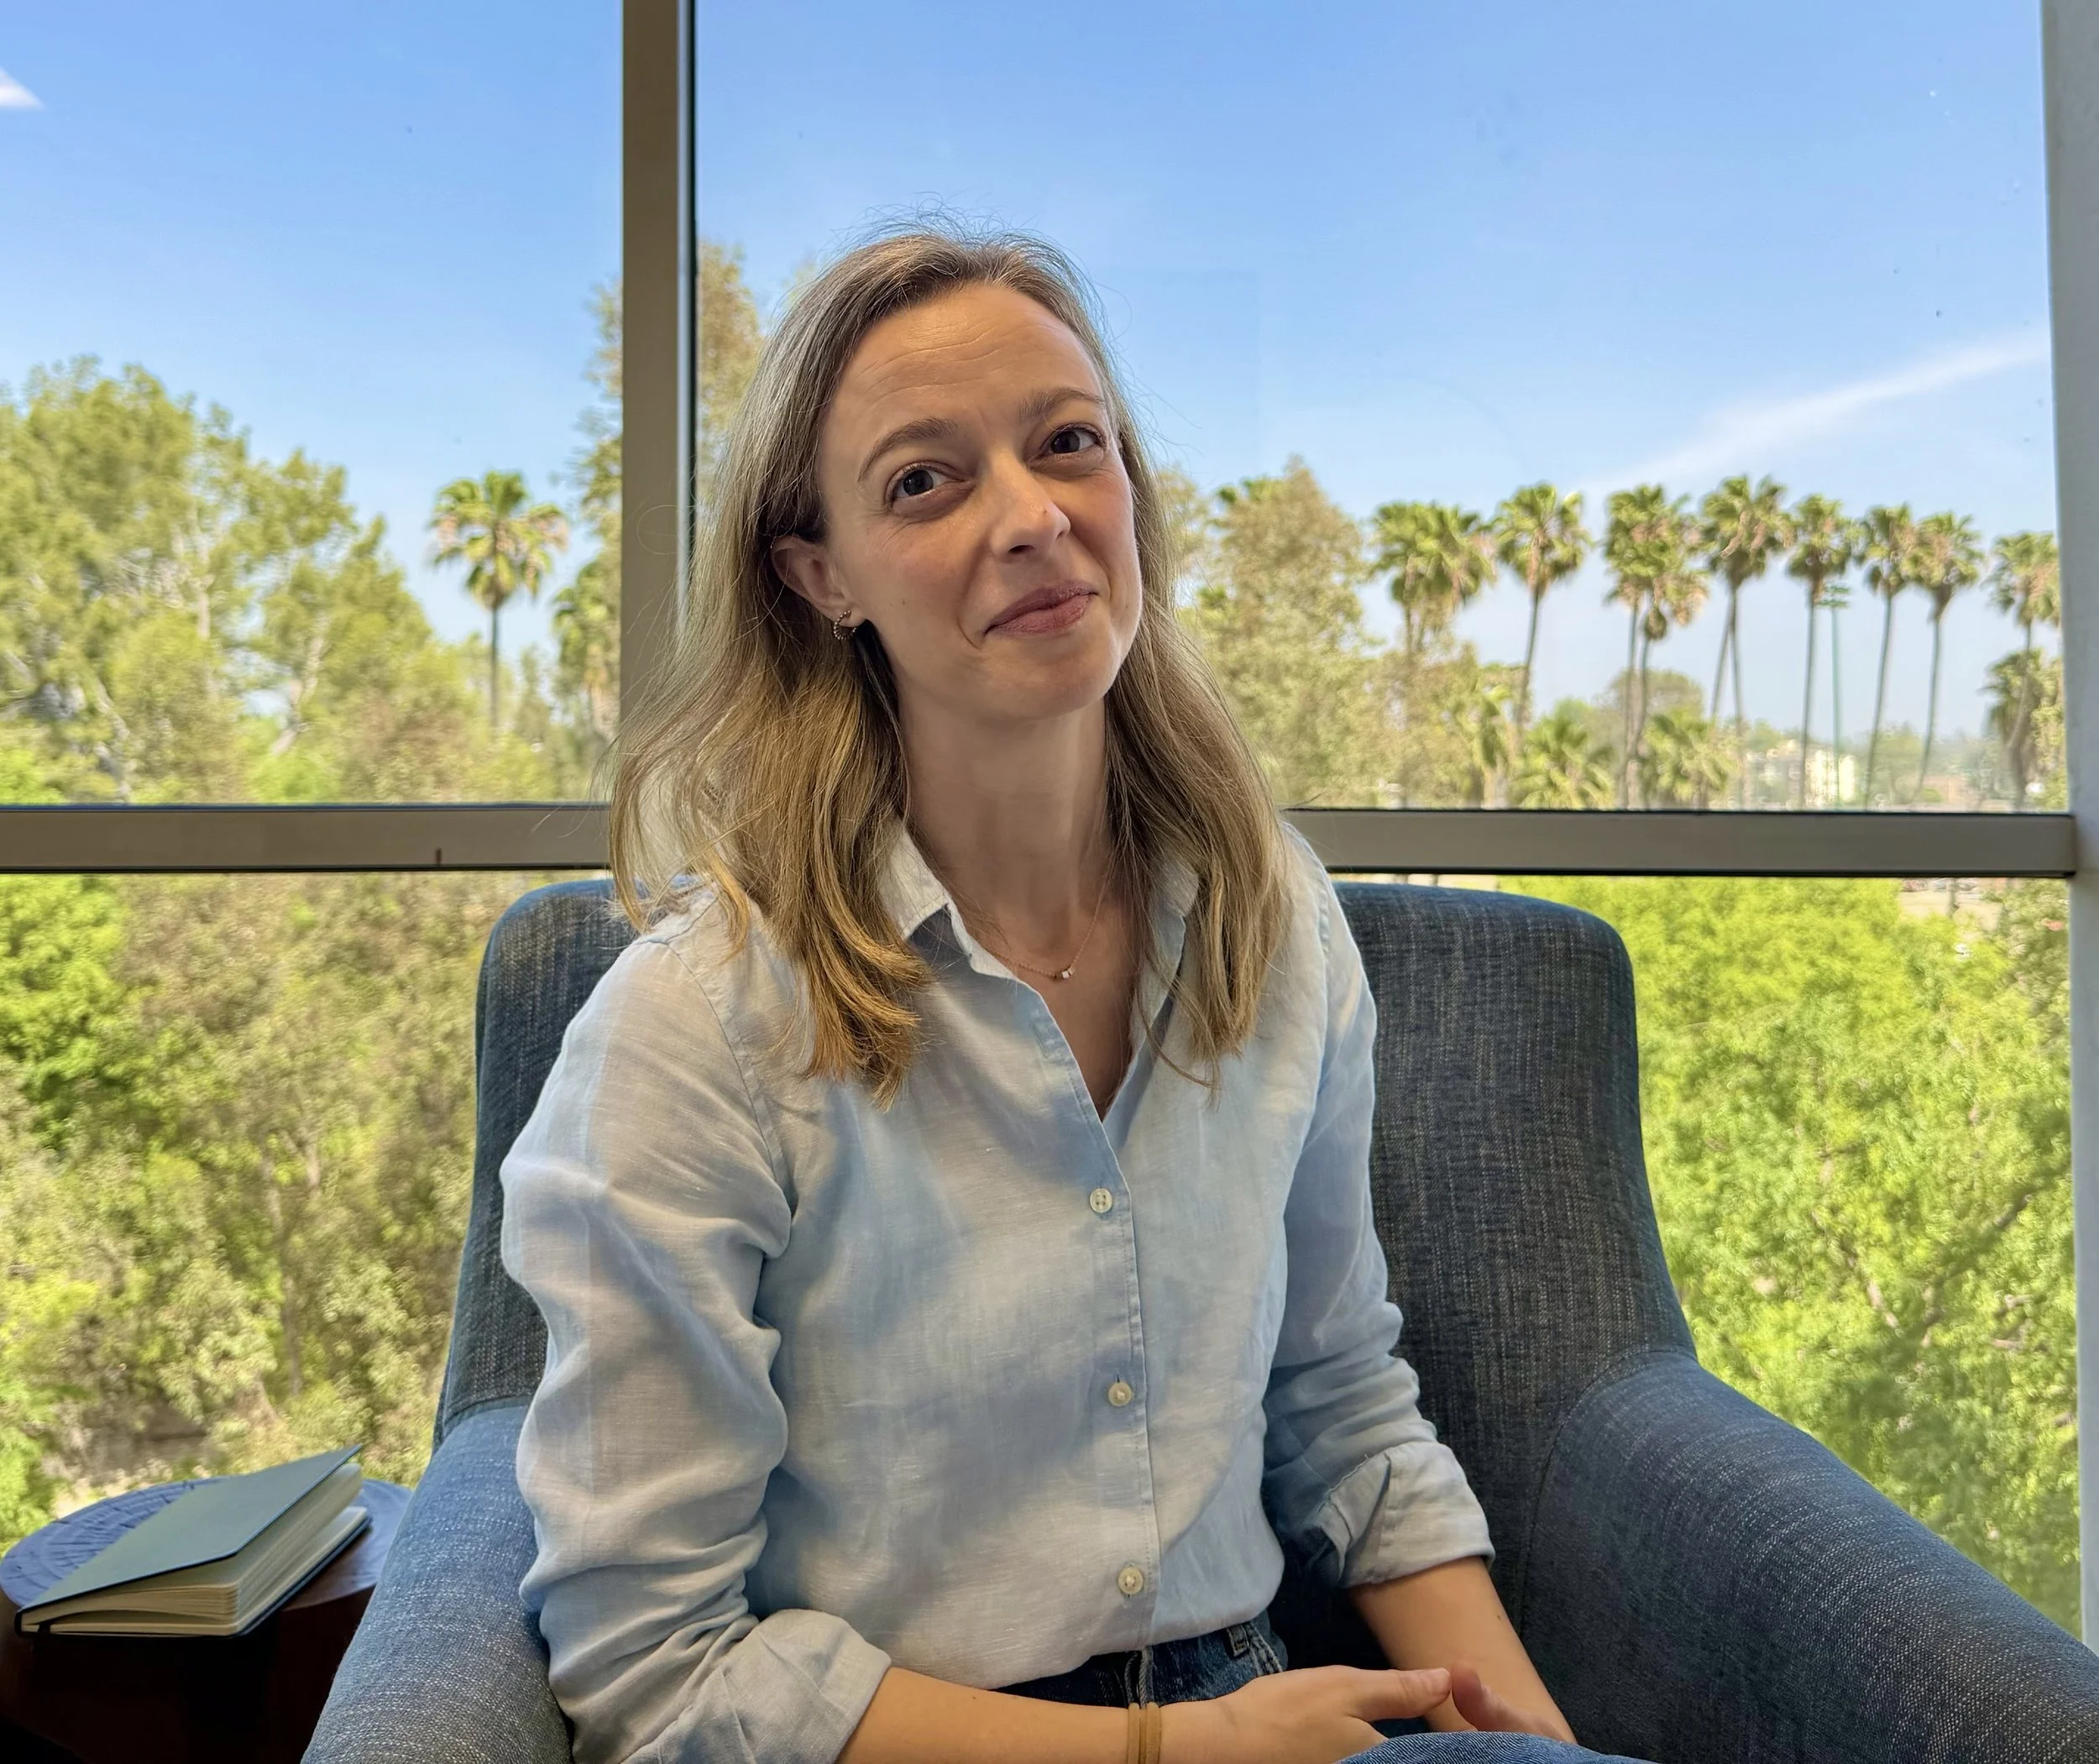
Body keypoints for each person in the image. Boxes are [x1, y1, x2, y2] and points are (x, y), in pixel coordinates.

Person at [500, 222, 1645, 1764]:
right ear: (818, 572)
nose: (1034, 516)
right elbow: (654, 1669)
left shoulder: (1272, 921)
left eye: (1068, 445)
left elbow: (1345, 1411)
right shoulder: (692, 1029)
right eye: (926, 479)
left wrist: (1542, 1755)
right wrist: (1172, 1757)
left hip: (1278, 1712)